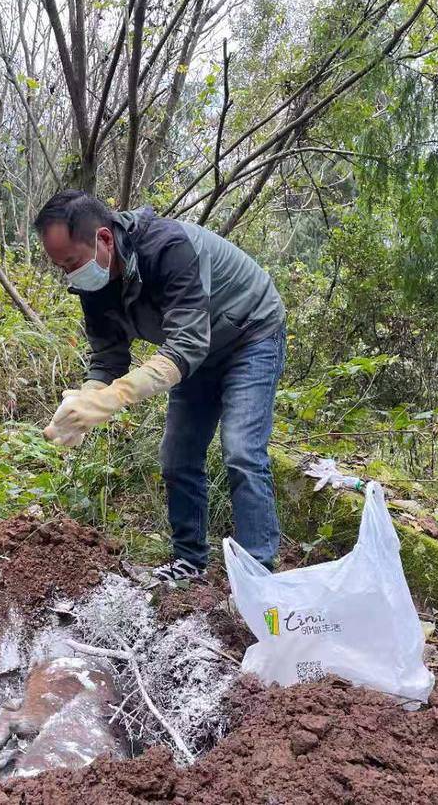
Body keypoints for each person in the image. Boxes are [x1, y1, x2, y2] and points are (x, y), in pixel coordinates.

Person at [35, 189, 286, 584]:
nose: (70, 274)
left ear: (103, 238)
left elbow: (187, 344)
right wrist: (85, 399)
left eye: (71, 261)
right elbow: (108, 357)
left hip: (249, 334)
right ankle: (190, 562)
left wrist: (114, 398)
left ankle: (257, 573)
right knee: (176, 456)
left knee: (240, 449)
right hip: (193, 353)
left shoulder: (168, 248)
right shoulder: (93, 286)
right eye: (60, 266)